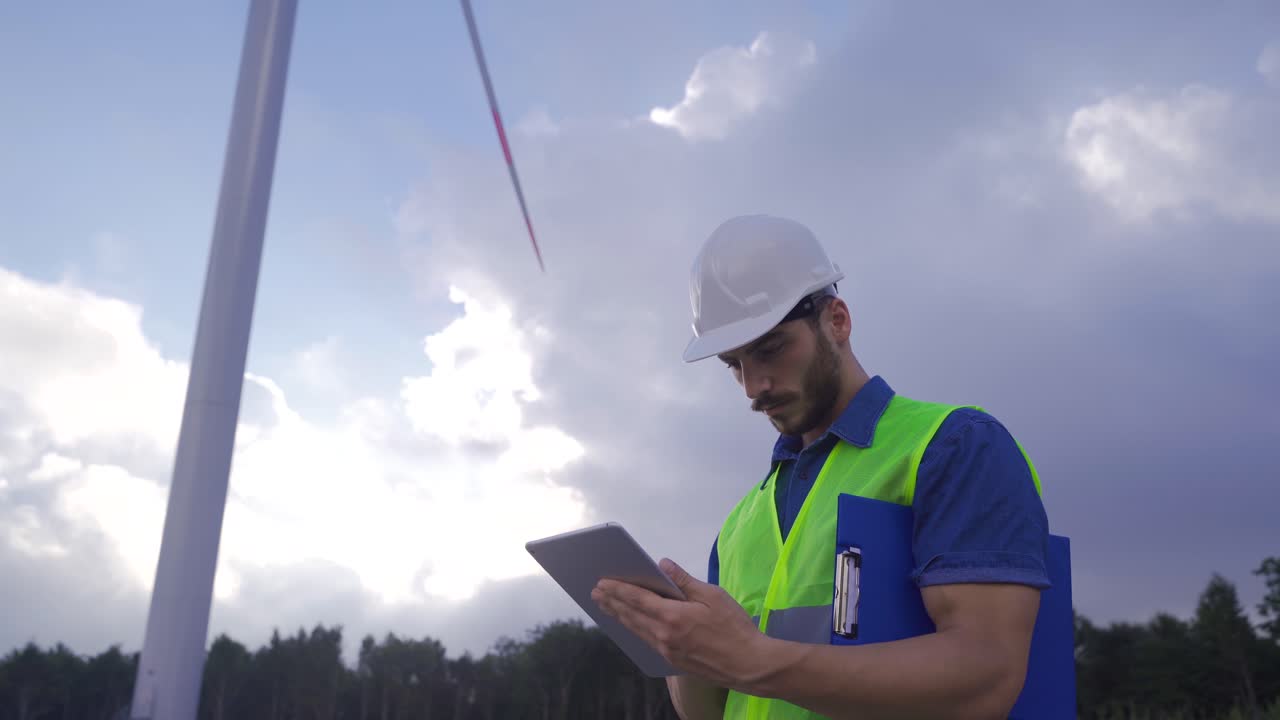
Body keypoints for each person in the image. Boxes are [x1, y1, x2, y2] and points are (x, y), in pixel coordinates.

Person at [591, 214, 1051, 719]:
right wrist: (682, 645)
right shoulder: (739, 526)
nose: (753, 386)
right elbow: (709, 712)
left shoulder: (952, 448)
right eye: (734, 365)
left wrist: (753, 658)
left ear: (837, 320)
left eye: (769, 350)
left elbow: (986, 677)